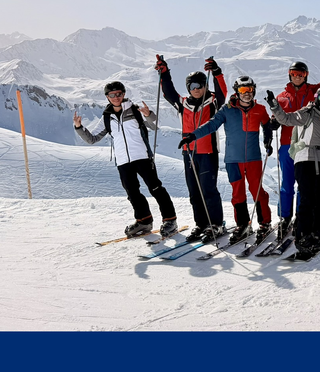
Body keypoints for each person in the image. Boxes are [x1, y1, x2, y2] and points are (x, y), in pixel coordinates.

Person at [74, 81, 177, 238]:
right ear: (107, 97)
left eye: (119, 94)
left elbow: (154, 126)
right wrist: (79, 128)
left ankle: (170, 220)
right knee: (132, 193)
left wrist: (149, 115)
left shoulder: (135, 111)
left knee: (155, 188)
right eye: (112, 95)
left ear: (124, 94)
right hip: (123, 162)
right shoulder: (107, 118)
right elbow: (93, 139)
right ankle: (144, 221)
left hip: (142, 156)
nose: (116, 97)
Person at [180, 75, 274, 244]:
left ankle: (265, 223)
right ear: (237, 92)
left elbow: (267, 124)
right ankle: (243, 224)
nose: (247, 94)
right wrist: (192, 136)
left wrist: (268, 139)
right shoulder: (227, 110)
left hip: (253, 159)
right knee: (237, 193)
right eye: (243, 90)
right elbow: (211, 125)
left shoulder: (260, 109)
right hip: (233, 160)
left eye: (249, 90)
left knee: (257, 191)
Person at [265, 86, 320, 252]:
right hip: (305, 159)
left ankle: (318, 226)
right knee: (307, 197)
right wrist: (274, 106)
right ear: (317, 99)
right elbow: (286, 119)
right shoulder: (307, 113)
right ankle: (303, 234)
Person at [269, 39, 320, 241]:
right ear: (290, 75)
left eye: (301, 74)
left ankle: (302, 218)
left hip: (304, 147)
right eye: (294, 74)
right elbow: (276, 117)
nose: (297, 77)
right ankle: (285, 217)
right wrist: (271, 125)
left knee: (304, 186)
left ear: (306, 76)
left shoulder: (312, 92)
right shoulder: (282, 96)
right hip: (285, 145)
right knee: (287, 184)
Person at [155, 55, 228, 243]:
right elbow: (169, 93)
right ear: (189, 88)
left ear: (205, 86)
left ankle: (216, 224)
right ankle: (201, 224)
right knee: (194, 190)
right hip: (188, 152)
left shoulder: (212, 102)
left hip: (208, 151)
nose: (197, 90)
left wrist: (217, 72)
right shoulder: (183, 104)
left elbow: (222, 93)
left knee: (208, 189)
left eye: (200, 86)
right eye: (193, 87)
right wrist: (164, 72)